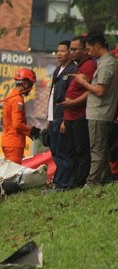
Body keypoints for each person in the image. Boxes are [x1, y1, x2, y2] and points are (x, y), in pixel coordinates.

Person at [71, 31, 118, 186]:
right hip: (100, 112)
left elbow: (100, 90)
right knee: (101, 149)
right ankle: (105, 179)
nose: (88, 53)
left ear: (98, 46)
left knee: (96, 149)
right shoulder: (107, 62)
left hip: (99, 112)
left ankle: (92, 182)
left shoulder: (107, 64)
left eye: (90, 49)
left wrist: (83, 82)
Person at [59, 35, 97, 188]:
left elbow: (90, 91)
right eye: (71, 49)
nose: (72, 52)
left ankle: (79, 183)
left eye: (75, 49)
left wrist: (72, 102)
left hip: (80, 116)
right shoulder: (78, 66)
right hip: (69, 115)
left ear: (85, 50)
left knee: (81, 151)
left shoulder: (89, 65)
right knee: (71, 152)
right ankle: (72, 182)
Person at [46, 40, 77, 189]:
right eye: (58, 51)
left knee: (63, 152)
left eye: (63, 51)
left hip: (62, 119)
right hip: (53, 118)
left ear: (70, 52)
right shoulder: (57, 70)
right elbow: (52, 95)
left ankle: (63, 184)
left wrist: (65, 119)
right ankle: (59, 182)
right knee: (55, 152)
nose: (59, 53)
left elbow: (70, 96)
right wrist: (48, 118)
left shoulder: (73, 70)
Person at [1, 68, 41, 164]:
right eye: (31, 85)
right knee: (12, 175)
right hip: (14, 143)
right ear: (25, 83)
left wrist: (28, 133)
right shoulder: (17, 100)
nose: (31, 88)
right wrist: (30, 131)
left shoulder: (12, 96)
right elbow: (17, 124)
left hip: (9, 142)